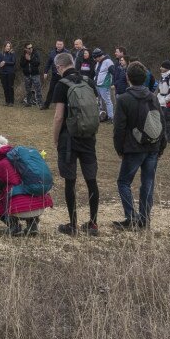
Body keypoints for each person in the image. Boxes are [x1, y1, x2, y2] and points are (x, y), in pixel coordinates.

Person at [51, 52, 101, 236]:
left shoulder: (61, 85)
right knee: (91, 180)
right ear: (73, 63)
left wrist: (55, 138)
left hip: (68, 139)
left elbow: (58, 117)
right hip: (88, 137)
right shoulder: (88, 81)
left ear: (59, 67)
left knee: (70, 181)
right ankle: (93, 224)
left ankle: (72, 224)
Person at [112, 62, 167, 229]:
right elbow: (161, 122)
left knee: (123, 182)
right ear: (145, 78)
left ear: (127, 77)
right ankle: (144, 219)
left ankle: (131, 218)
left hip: (133, 147)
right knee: (147, 183)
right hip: (153, 146)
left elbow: (119, 128)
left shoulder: (123, 99)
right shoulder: (153, 97)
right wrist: (161, 146)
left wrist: (119, 148)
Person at [0, 136, 54, 236]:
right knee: (25, 189)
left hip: (21, 210)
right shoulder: (20, 160)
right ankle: (33, 225)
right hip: (40, 207)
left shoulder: (1, 164)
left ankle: (14, 226)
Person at [42, 40, 67, 110]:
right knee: (51, 90)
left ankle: (64, 106)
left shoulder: (67, 53)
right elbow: (48, 63)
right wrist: (45, 72)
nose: (59, 46)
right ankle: (46, 105)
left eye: (60, 44)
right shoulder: (52, 53)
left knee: (64, 91)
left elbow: (70, 63)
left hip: (63, 75)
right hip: (54, 75)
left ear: (63, 45)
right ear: (56, 45)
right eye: (58, 44)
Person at [92, 48, 115, 121]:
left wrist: (112, 83)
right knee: (98, 101)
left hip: (104, 85)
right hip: (97, 84)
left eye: (96, 58)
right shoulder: (99, 61)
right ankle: (101, 116)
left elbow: (113, 73)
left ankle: (111, 117)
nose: (95, 60)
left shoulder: (108, 62)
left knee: (107, 101)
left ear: (99, 56)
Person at [157, 61, 170, 143]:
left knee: (167, 120)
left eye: (162, 67)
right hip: (161, 99)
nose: (160, 68)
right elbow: (160, 88)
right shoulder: (162, 77)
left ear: (166, 68)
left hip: (168, 102)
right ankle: (163, 136)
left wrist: (165, 99)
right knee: (161, 119)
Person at [19, 42, 42, 107]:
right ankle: (29, 103)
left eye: (31, 47)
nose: (31, 49)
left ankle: (40, 103)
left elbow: (38, 63)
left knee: (38, 89)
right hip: (27, 75)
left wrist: (30, 59)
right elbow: (21, 64)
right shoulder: (23, 55)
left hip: (35, 74)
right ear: (25, 49)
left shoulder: (36, 53)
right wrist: (26, 60)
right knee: (28, 90)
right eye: (29, 48)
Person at [0, 41, 17, 105]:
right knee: (5, 87)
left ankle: (11, 102)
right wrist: (0, 63)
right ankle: (7, 101)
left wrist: (5, 62)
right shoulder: (0, 54)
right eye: (7, 46)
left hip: (10, 73)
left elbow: (13, 62)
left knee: (10, 87)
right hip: (3, 73)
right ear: (4, 47)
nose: (8, 47)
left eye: (9, 46)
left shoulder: (12, 53)